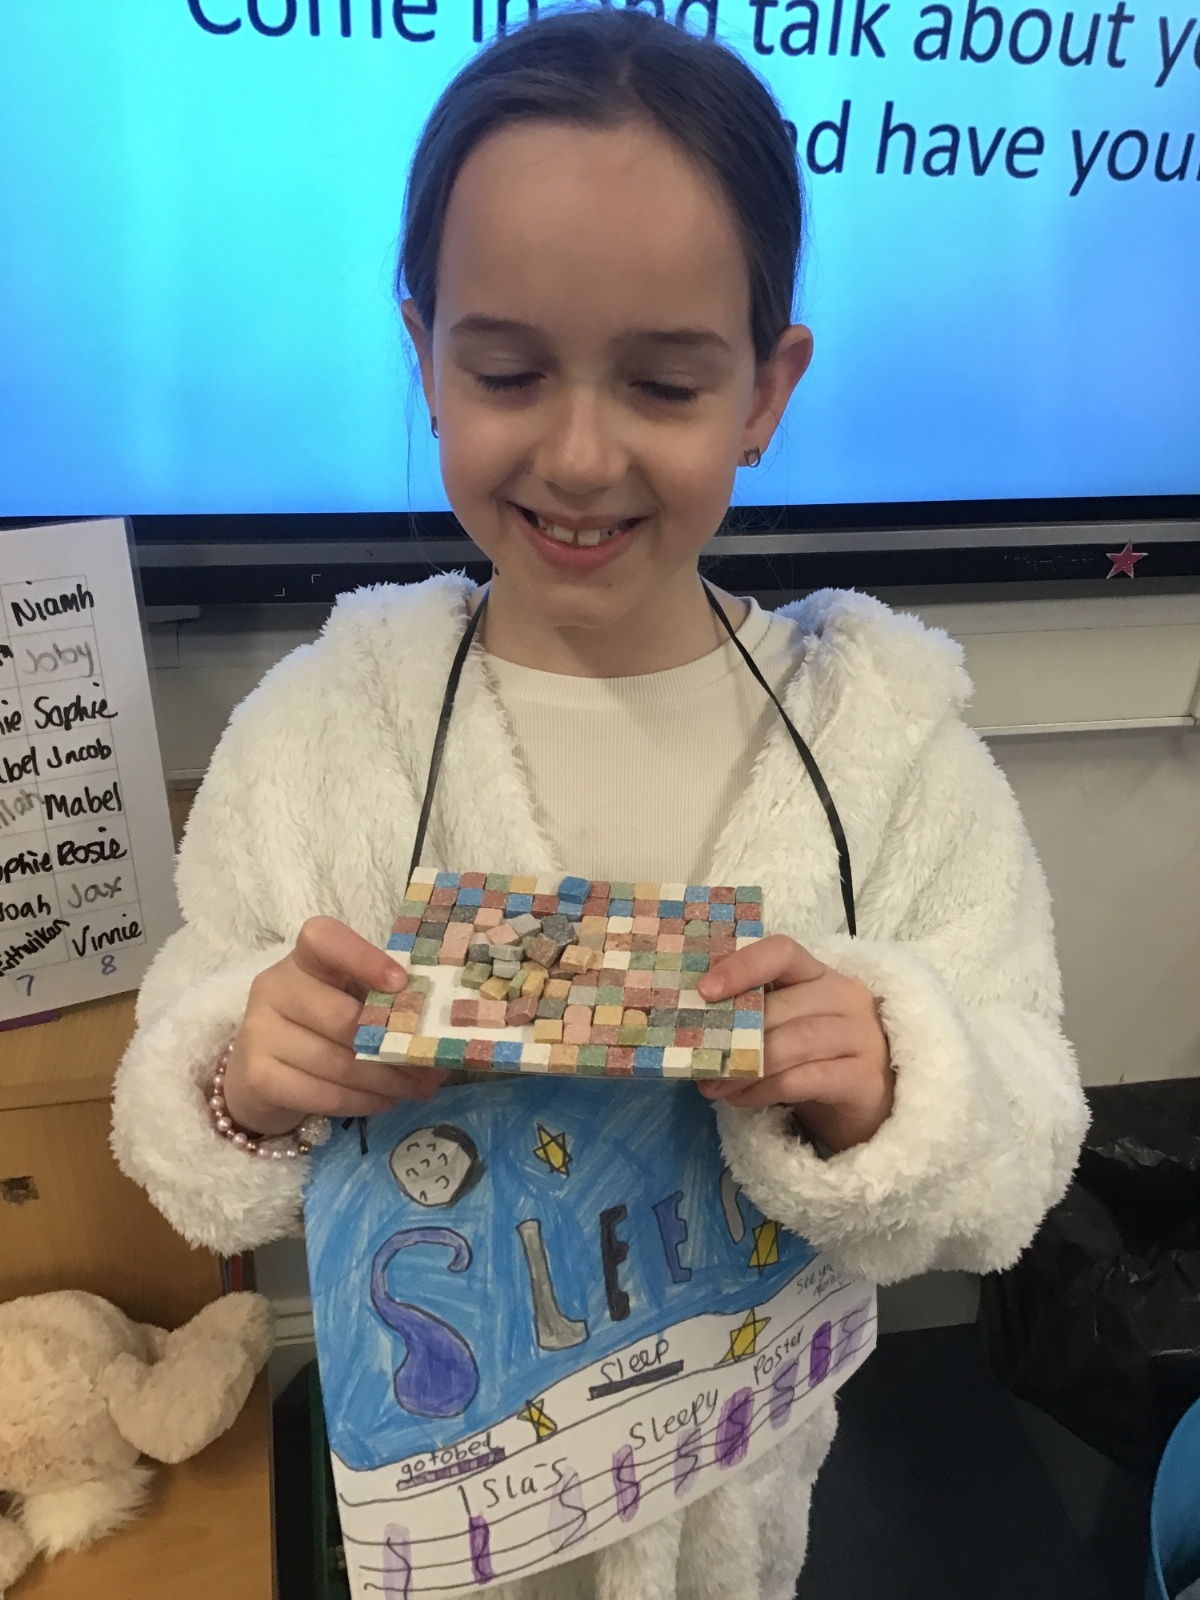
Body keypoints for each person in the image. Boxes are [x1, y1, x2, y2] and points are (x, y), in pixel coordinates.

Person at [110, 7, 1089, 1597]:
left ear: (765, 390)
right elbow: (184, 1082)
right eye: (507, 371)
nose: (578, 455)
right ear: (425, 356)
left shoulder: (882, 743)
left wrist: (898, 1081)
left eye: (664, 383)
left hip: (735, 1520)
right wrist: (241, 1076)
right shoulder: (327, 727)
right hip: (441, 1520)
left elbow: (1028, 1120)